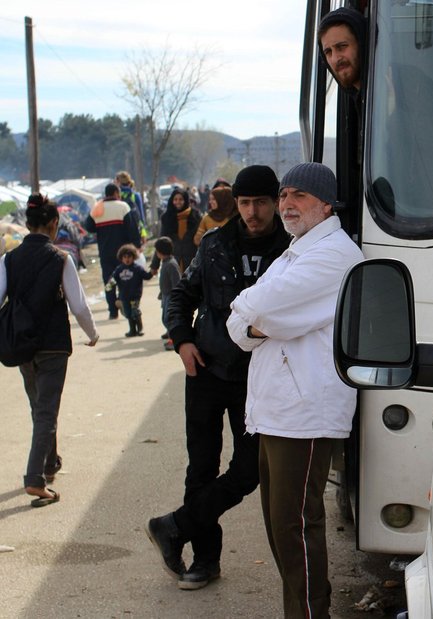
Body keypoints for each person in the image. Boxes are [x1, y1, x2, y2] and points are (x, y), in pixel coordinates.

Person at [145, 165, 291, 591]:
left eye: (261, 202)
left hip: (260, 376)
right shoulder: (213, 244)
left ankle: (173, 525)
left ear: (276, 201)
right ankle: (204, 560)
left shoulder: (293, 248)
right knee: (201, 468)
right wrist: (181, 339)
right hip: (207, 369)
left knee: (250, 469)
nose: (252, 212)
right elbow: (182, 295)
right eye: (245, 203)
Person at [227, 162, 363, 618]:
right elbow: (240, 327)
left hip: (304, 411)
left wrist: (255, 316)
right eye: (284, 195)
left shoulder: (334, 255)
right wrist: (259, 321)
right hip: (277, 409)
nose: (286, 205)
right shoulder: (296, 252)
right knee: (280, 526)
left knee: (296, 526)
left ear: (326, 204)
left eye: (299, 196)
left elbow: (255, 306)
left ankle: (309, 613)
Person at [0, 194, 99, 507]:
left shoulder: (8, 259)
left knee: (39, 407)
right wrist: (92, 334)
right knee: (46, 411)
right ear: (54, 224)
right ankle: (35, 480)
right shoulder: (61, 258)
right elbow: (79, 305)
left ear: (28, 224)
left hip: (23, 343)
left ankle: (50, 461)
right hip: (54, 345)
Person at [84, 183, 142, 319]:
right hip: (123, 253)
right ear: (116, 193)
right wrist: (136, 246)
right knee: (125, 279)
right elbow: (132, 229)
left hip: (105, 252)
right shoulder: (123, 207)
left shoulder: (98, 207)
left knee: (109, 281)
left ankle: (112, 311)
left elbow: (89, 227)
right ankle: (123, 302)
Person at [106, 243, 153, 337]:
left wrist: (152, 272)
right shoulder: (119, 269)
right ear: (121, 258)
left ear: (134, 257)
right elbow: (113, 279)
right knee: (127, 313)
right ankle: (132, 330)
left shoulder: (138, 269)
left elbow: (147, 276)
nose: (127, 259)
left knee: (135, 312)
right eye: (125, 257)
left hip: (135, 296)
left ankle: (139, 328)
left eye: (129, 257)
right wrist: (108, 287)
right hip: (124, 296)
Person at [318, 7, 367, 95]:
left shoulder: (395, 85)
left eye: (342, 46)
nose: (335, 59)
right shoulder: (357, 104)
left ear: (362, 43)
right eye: (328, 52)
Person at [158, 187, 202, 273]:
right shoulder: (167, 217)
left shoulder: (195, 216)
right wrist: (154, 265)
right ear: (172, 201)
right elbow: (162, 242)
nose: (178, 202)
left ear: (185, 200)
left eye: (181, 199)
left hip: (193, 261)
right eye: (175, 199)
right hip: (173, 262)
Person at [154, 236, 180, 351]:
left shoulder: (171, 264)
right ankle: (171, 334)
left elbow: (176, 282)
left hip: (171, 296)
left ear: (159, 252)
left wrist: (175, 297)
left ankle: (174, 339)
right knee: (165, 318)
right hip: (165, 295)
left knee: (169, 318)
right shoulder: (165, 262)